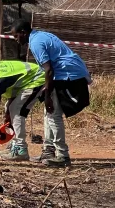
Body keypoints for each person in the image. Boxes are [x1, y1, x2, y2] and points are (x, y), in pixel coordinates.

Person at [11, 20, 91, 167]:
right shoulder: (40, 36)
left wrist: (47, 96)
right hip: (69, 72)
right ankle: (48, 151)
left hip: (68, 75)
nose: (16, 40)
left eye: (16, 36)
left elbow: (49, 70)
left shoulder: (36, 43)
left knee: (53, 114)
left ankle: (62, 155)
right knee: (49, 112)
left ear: (23, 32)